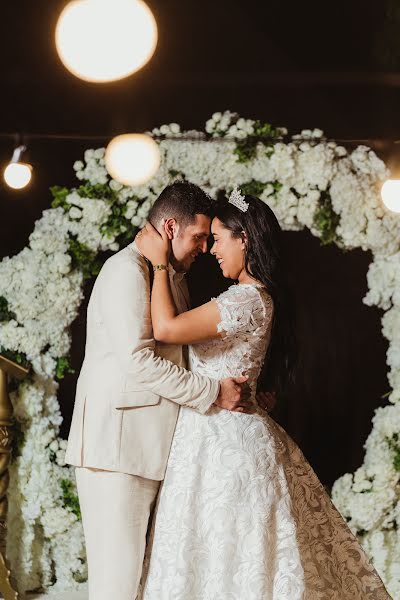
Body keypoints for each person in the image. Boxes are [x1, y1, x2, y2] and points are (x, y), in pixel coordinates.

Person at [136, 188, 391, 599]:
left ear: (245, 239)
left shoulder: (245, 299)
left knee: (225, 558)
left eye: (218, 239)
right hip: (212, 438)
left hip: (224, 446)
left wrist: (160, 265)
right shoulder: (252, 298)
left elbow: (165, 329)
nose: (212, 249)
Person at [65, 182, 254, 600]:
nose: (204, 248)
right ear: (170, 227)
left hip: (151, 451)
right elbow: (139, 361)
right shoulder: (125, 270)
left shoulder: (169, 277)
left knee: (141, 585)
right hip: (117, 451)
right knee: (116, 585)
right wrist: (213, 393)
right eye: (199, 237)